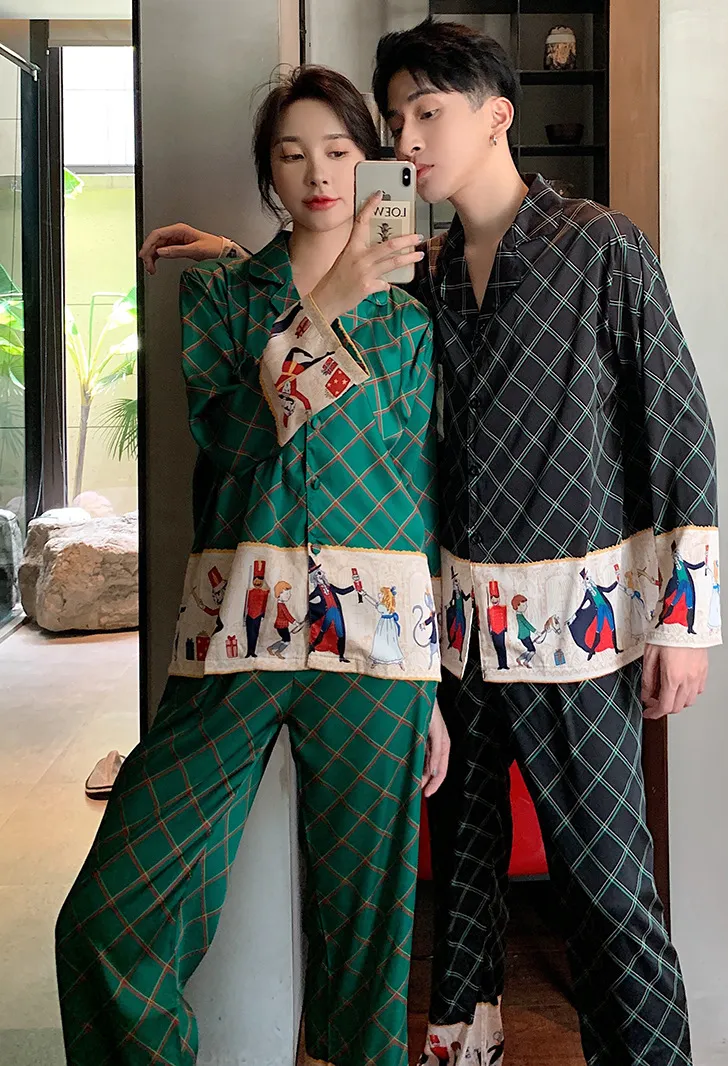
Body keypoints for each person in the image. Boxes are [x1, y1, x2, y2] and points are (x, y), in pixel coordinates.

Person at [139, 19, 722, 1066]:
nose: (404, 139)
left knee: (607, 892)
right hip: (452, 640)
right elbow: (335, 310)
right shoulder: (431, 272)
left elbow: (676, 424)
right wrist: (234, 258)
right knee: (460, 900)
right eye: (395, 117)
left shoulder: (599, 244)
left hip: (573, 633)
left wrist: (683, 623)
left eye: (427, 113)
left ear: (496, 116)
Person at [55, 65, 450, 1066]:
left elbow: (419, 493)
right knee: (108, 920)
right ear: (267, 173)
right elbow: (234, 442)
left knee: (368, 956)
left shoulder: (412, 322)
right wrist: (325, 302)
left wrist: (433, 683)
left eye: (338, 151)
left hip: (378, 652)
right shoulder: (220, 297)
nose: (317, 173)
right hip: (235, 635)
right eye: (290, 154)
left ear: (370, 164)